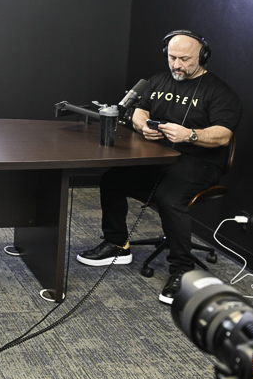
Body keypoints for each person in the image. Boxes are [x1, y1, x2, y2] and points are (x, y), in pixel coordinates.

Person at [76, 30, 241, 304]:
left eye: (185, 59)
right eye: (172, 57)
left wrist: (189, 135)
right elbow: (140, 109)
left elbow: (223, 135)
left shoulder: (220, 92)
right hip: (159, 157)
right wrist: (143, 126)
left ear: (203, 56)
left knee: (169, 197)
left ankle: (182, 271)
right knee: (112, 179)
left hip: (200, 163)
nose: (177, 64)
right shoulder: (159, 81)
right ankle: (117, 244)